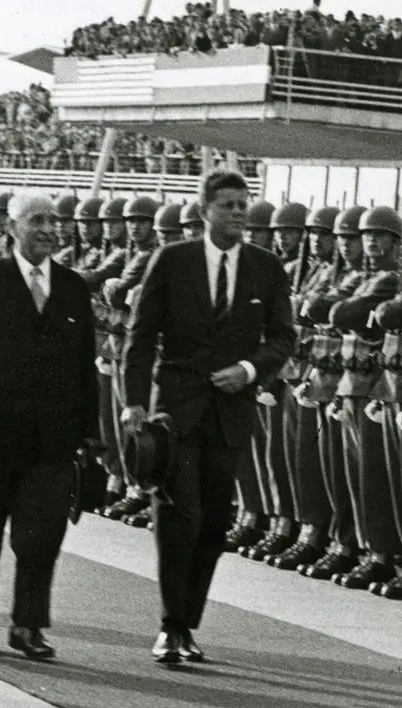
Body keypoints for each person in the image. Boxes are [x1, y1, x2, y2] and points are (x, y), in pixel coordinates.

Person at [122, 169, 295, 664]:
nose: (239, 213)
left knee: (214, 521)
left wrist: (248, 369)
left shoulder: (266, 267)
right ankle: (169, 624)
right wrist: (134, 403)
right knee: (177, 514)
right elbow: (140, 335)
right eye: (228, 205)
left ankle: (188, 623)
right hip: (176, 409)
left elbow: (284, 337)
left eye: (244, 205)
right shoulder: (172, 260)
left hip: (230, 412)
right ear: (204, 212)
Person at [0, 194, 99, 659]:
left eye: (54, 221)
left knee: (43, 535)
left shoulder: (73, 287)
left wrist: (89, 433)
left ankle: (29, 625)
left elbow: (84, 366)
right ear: (12, 227)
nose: (49, 229)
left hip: (52, 438)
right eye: (37, 221)